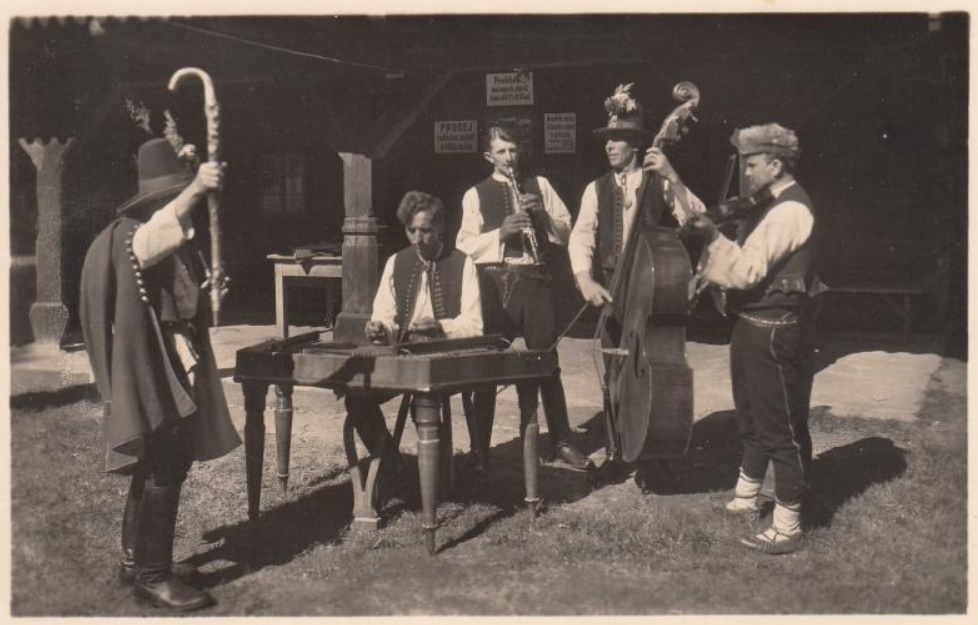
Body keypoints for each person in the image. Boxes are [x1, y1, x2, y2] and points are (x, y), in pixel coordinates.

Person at [80, 137, 241, 611]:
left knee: (159, 458)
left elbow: (180, 294)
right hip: (153, 363)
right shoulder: (132, 233)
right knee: (166, 459)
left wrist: (208, 288)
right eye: (175, 196)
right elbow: (150, 244)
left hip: (171, 356)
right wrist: (196, 188)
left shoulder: (166, 234)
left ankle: (135, 561)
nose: (181, 204)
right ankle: (153, 576)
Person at [684, 123, 823, 555]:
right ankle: (746, 498)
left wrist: (712, 236)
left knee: (779, 426)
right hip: (752, 322)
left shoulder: (789, 210)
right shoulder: (769, 203)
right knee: (750, 417)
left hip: (774, 327)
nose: (745, 173)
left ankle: (787, 525)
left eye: (752, 164)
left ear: (776, 165)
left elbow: (746, 271)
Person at [568, 84, 705, 484]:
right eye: (607, 139)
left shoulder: (657, 181)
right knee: (614, 373)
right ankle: (616, 449)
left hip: (649, 285)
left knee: (651, 368)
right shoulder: (595, 189)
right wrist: (584, 279)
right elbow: (580, 236)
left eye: (617, 139)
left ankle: (653, 449)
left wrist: (672, 176)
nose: (609, 146)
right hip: (613, 287)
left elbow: (695, 219)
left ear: (636, 144)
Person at [456, 124, 593, 474]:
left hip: (535, 279)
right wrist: (500, 233)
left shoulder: (540, 185)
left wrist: (542, 215)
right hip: (496, 283)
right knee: (488, 366)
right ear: (489, 156)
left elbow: (566, 232)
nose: (509, 158)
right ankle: (479, 451)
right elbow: (463, 246)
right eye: (501, 152)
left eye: (513, 150)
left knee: (547, 361)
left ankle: (561, 442)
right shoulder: (474, 194)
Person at [344, 190, 483, 491]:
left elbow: (475, 325)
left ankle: (435, 479)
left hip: (446, 358)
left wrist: (441, 327)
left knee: (424, 399)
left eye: (426, 230)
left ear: (441, 227)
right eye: (411, 231)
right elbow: (384, 315)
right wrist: (379, 329)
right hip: (404, 357)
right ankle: (393, 465)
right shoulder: (396, 262)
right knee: (356, 397)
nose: (418, 239)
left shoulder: (463, 263)